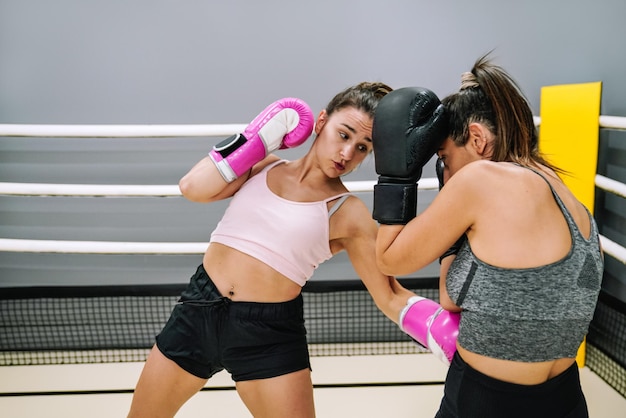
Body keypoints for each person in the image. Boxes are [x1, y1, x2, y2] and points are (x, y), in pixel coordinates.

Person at [127, 82, 443, 418]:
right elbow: (192, 187)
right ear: (321, 123)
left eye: (363, 147)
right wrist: (259, 139)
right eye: (344, 134)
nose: (347, 154)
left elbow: (389, 294)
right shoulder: (263, 165)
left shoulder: (348, 212)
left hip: (268, 335)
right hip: (198, 310)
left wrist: (444, 330)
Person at [373, 54, 604, 417]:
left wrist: (396, 178)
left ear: (477, 139)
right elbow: (452, 298)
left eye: (445, 158)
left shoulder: (482, 180)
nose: (446, 171)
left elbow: (388, 258)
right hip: (566, 399)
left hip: (486, 400)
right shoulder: (569, 198)